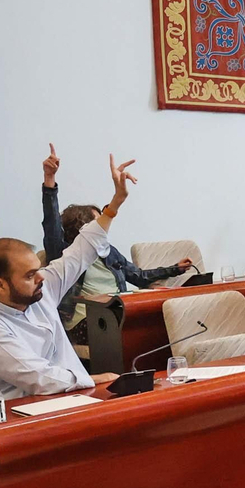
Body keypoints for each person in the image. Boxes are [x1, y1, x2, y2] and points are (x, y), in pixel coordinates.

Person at [0, 153, 138, 398]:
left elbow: (81, 249)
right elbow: (36, 376)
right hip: (24, 417)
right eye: (30, 274)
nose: (41, 278)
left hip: (76, 398)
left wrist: (115, 203)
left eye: (38, 270)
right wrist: (92, 379)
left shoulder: (39, 290)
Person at [40, 144, 185, 342]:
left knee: (161, 322)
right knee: (139, 331)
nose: (104, 225)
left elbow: (139, 276)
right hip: (86, 321)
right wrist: (50, 180)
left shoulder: (109, 252)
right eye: (97, 221)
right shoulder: (64, 254)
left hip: (118, 313)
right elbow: (51, 225)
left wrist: (175, 269)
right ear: (82, 226)